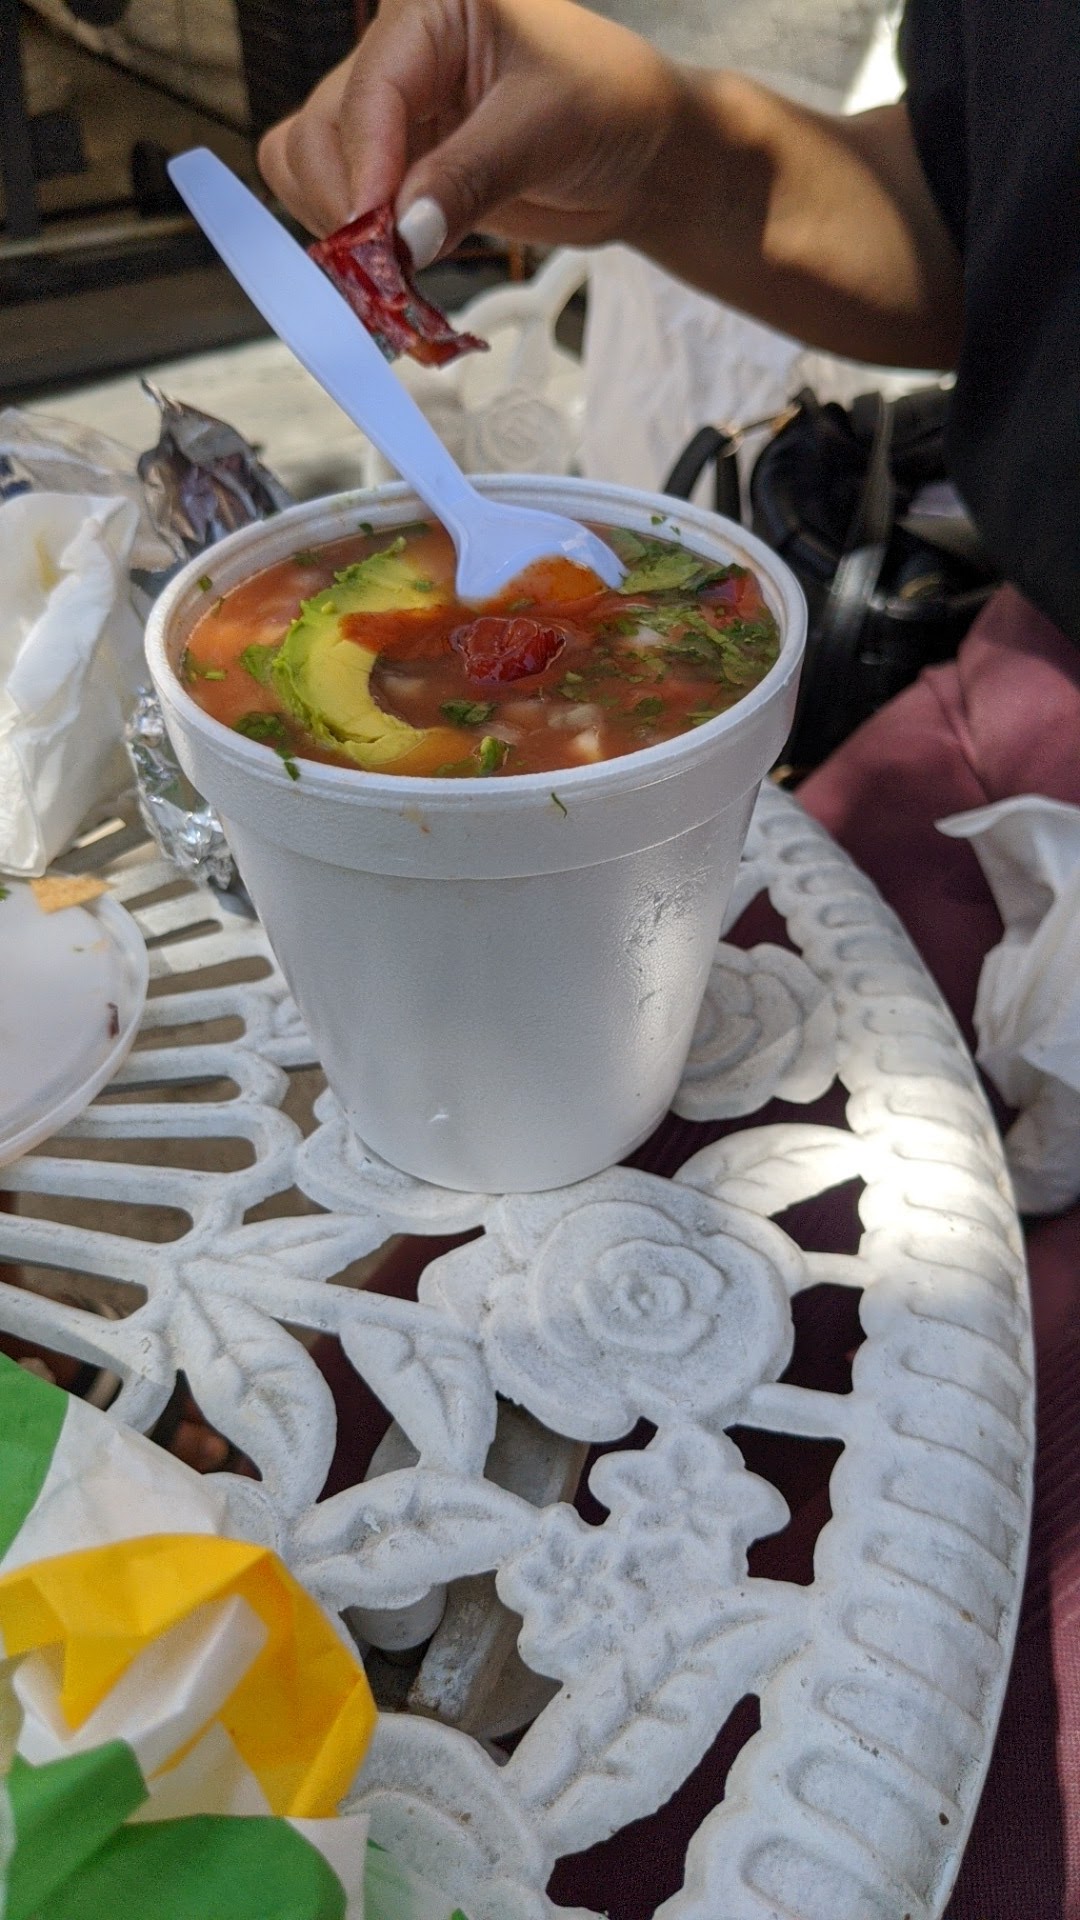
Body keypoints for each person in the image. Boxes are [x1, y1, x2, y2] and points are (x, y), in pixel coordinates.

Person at [260, 7, 1080, 1915]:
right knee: (404, 1365)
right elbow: (984, 221)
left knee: (898, 1703)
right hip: (1004, 698)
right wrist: (673, 147)